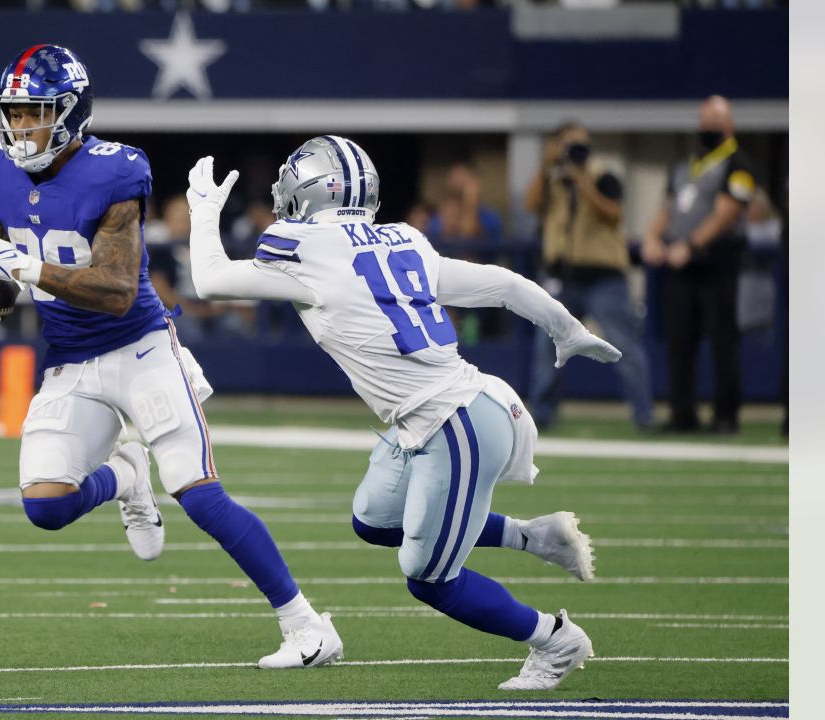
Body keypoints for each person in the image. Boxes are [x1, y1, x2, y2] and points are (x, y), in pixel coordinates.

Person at [0, 44, 342, 669]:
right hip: (70, 359)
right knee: (45, 505)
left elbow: (117, 289)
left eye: (35, 113)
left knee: (200, 493)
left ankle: (306, 626)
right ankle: (126, 476)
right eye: (14, 114)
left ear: (72, 114)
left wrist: (25, 269)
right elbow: (8, 241)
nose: (22, 128)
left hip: (140, 348)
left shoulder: (114, 172)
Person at [183, 137, 622, 691]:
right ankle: (532, 538)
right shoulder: (403, 239)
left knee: (429, 579)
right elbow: (504, 284)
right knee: (375, 522)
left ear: (311, 191)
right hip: (449, 411)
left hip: (456, 421)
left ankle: (555, 639)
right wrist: (567, 330)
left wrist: (202, 212)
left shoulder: (306, 247)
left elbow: (209, 281)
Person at [524, 121, 654, 431]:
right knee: (547, 346)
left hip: (603, 277)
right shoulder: (553, 179)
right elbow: (531, 205)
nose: (575, 152)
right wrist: (546, 165)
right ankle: (541, 415)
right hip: (563, 276)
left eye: (580, 145)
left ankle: (644, 415)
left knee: (624, 345)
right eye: (568, 145)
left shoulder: (602, 175)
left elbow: (614, 213)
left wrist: (583, 183)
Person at [642, 95, 757, 434]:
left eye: (714, 123)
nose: (707, 129)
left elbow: (726, 213)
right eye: (704, 122)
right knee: (679, 341)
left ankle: (725, 415)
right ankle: (683, 413)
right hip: (681, 265)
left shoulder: (739, 164)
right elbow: (669, 207)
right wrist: (652, 237)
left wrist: (691, 245)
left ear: (729, 126)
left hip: (717, 263)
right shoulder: (684, 164)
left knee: (722, 340)